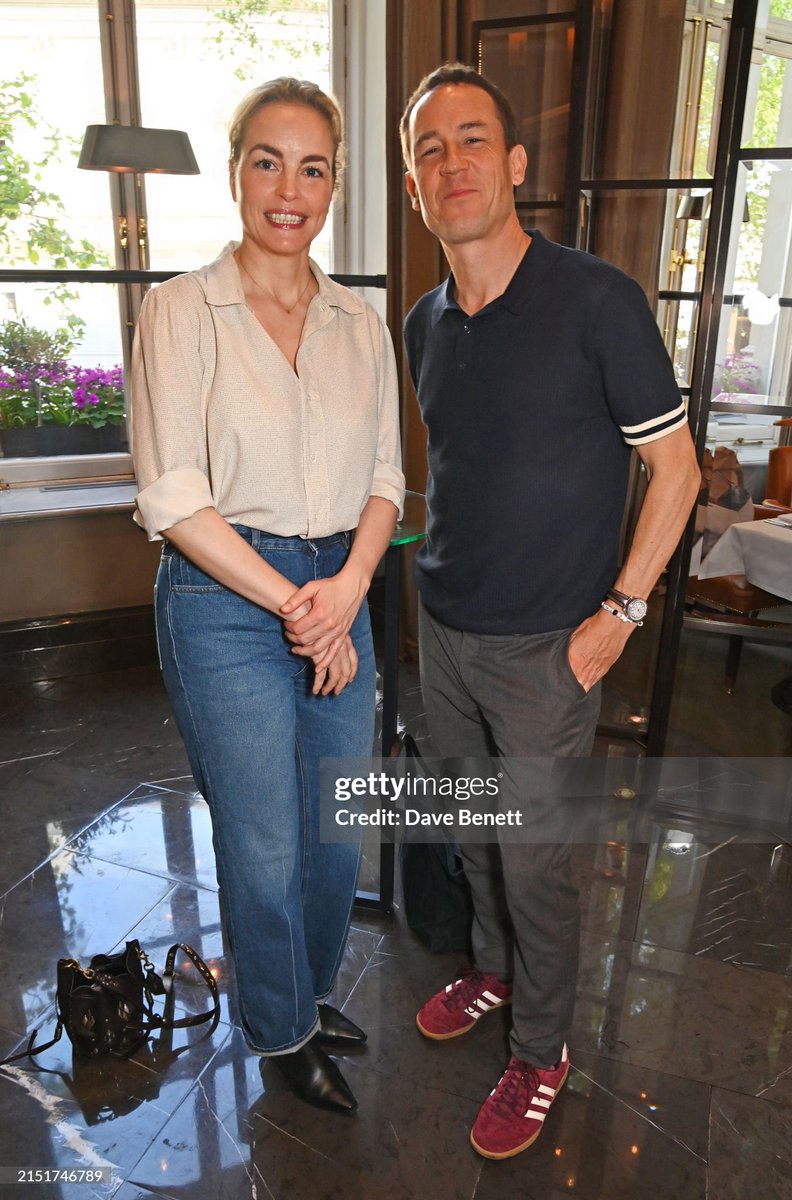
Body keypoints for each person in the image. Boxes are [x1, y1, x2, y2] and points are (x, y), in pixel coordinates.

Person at [400, 64, 700, 1159]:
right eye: (428, 150)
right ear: (412, 184)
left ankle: (540, 1047)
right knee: (472, 836)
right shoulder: (421, 322)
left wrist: (616, 615)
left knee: (537, 861)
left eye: (471, 139)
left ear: (515, 164)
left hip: (547, 650)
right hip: (443, 630)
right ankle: (490, 968)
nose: (452, 164)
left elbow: (676, 472)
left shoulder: (595, 300)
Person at [130, 77, 404, 1114]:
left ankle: (300, 991)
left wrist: (344, 591)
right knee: (262, 839)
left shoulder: (358, 324)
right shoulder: (179, 308)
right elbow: (170, 495)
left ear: (334, 183)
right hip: (221, 592)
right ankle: (279, 1028)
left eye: (314, 166)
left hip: (342, 577)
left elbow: (386, 477)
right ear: (236, 165)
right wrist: (300, 608)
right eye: (267, 160)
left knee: (336, 830)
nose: (289, 188)